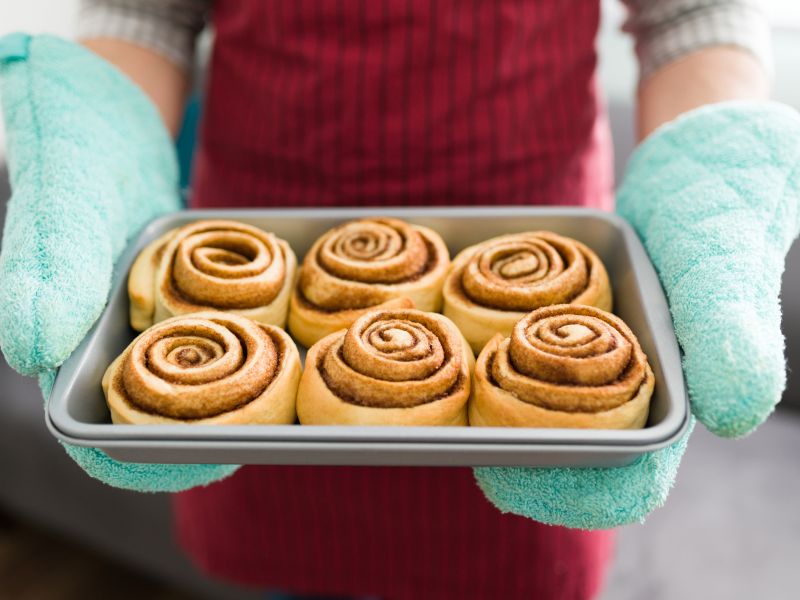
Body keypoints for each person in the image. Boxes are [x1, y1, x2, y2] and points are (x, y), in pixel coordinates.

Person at [0, 1, 794, 599]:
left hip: (541, 256)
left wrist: (707, 175)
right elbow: (147, 13)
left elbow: (695, 13)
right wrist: (105, 140)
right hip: (255, 267)